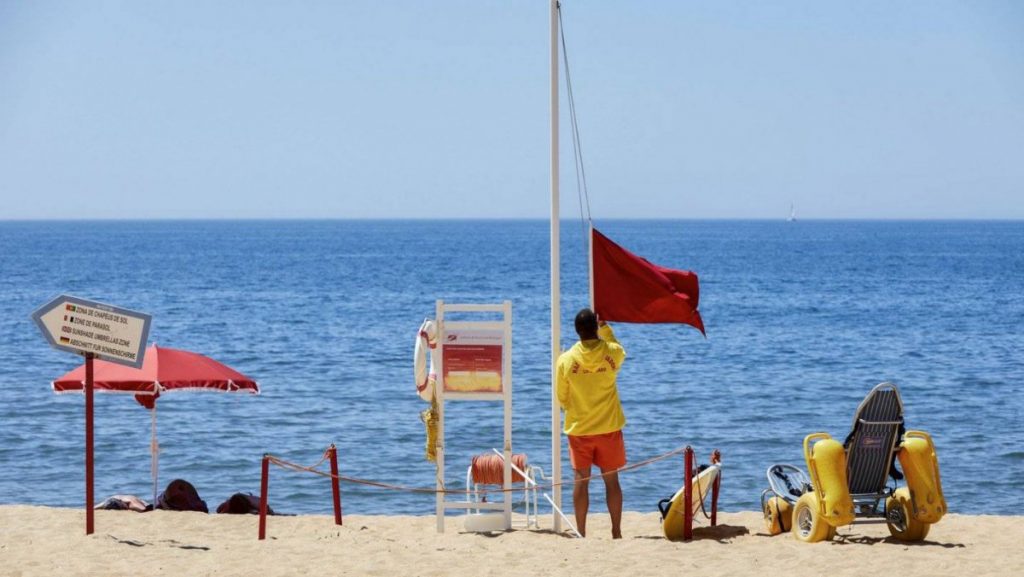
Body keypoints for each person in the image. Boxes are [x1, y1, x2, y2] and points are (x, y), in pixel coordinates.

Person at [556, 307, 627, 538]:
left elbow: (561, 397)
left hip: (580, 428)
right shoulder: (611, 353)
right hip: (608, 426)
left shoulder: (566, 360)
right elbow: (620, 350)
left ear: (577, 331)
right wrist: (606, 328)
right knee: (612, 480)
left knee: (581, 480)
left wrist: (574, 407)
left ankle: (581, 531)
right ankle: (616, 531)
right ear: (595, 328)